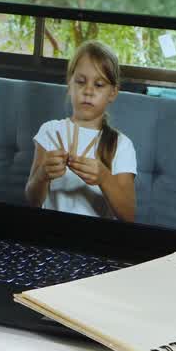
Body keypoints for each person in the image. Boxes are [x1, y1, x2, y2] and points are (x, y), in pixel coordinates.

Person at [24, 40, 137, 222]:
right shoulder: (50, 131)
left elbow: (129, 216)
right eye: (81, 82)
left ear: (113, 93)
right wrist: (42, 175)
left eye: (99, 85)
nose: (88, 91)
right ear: (70, 85)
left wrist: (104, 178)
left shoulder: (121, 145)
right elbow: (32, 200)